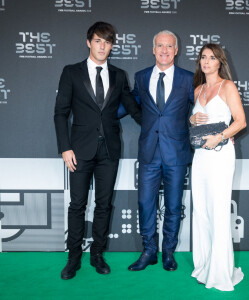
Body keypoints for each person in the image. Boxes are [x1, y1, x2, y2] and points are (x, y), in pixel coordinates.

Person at [54, 21, 142, 280]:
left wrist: (162, 122)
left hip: (109, 151)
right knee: (77, 204)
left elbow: (134, 110)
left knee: (104, 205)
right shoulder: (71, 72)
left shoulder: (119, 75)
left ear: (112, 45)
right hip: (79, 150)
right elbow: (61, 113)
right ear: (88, 42)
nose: (103, 46)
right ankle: (73, 258)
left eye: (107, 41)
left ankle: (97, 254)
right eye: (98, 41)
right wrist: (65, 147)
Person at [128, 30, 194, 272]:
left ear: (176, 50)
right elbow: (131, 103)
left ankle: (168, 252)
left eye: (169, 46)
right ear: (153, 49)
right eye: (160, 45)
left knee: (174, 206)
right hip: (148, 153)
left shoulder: (189, 78)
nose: (164, 50)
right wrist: (99, 116)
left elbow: (203, 107)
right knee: (146, 204)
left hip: (176, 153)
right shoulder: (141, 76)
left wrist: (221, 134)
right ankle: (148, 251)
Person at [189, 43, 246, 291]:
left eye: (212, 58)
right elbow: (197, 122)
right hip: (200, 156)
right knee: (201, 211)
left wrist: (220, 136)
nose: (206, 61)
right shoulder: (198, 89)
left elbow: (241, 121)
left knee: (218, 211)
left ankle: (220, 272)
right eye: (203, 57)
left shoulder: (227, 86)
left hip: (221, 154)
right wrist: (191, 118)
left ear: (220, 62)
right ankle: (204, 265)